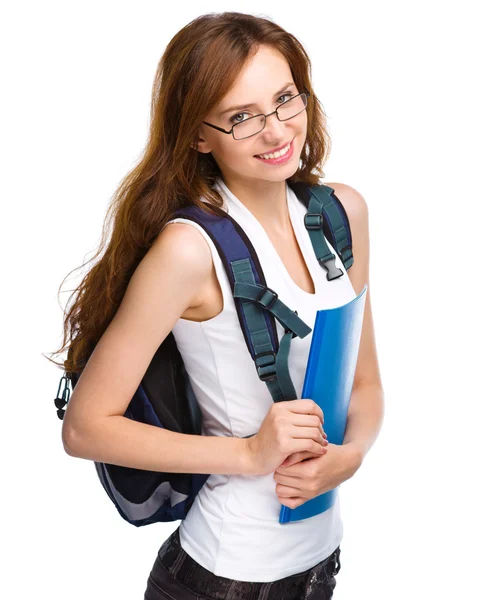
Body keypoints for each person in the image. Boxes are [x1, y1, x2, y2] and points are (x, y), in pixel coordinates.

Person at [52, 11, 384, 600]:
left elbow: (365, 384)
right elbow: (84, 428)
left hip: (319, 568)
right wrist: (250, 452)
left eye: (285, 99)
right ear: (199, 135)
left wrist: (351, 455)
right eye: (241, 117)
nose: (277, 132)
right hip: (219, 579)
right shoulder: (190, 250)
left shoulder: (341, 214)